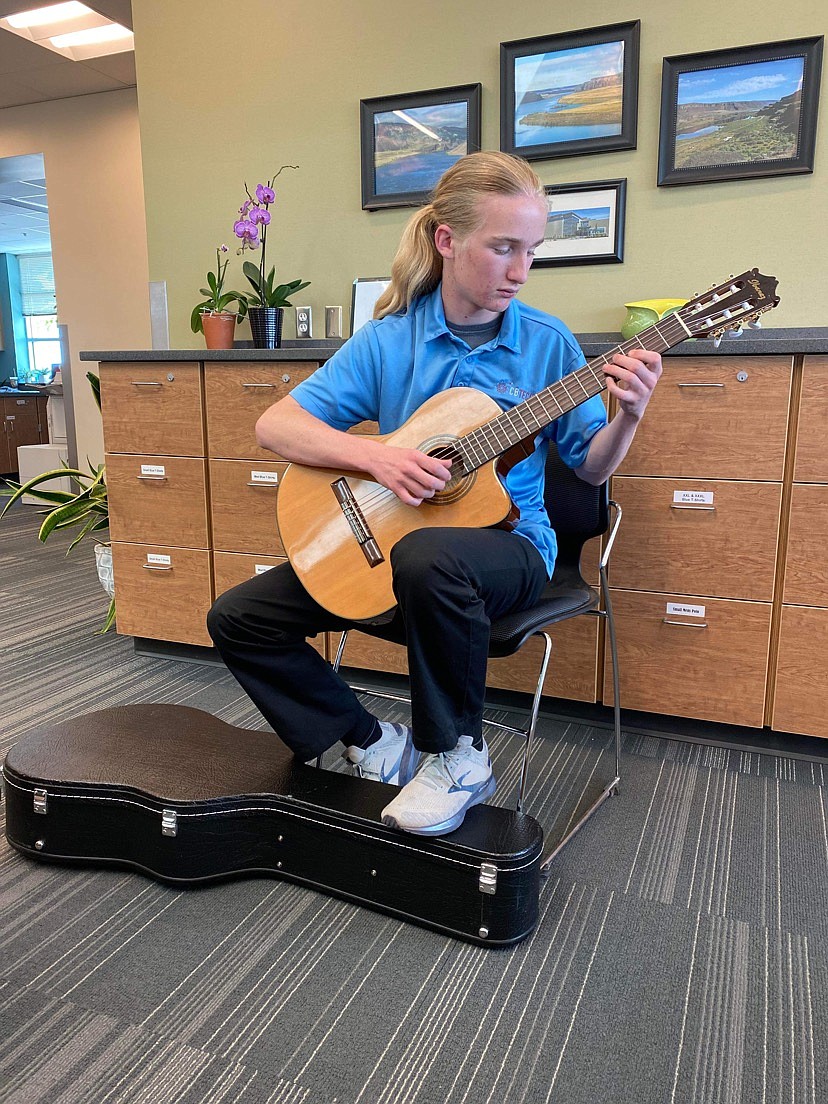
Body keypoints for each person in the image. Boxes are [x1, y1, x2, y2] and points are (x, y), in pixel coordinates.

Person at [207, 150, 662, 838]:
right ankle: (369, 739)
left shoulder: (548, 345)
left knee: (428, 556)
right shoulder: (391, 340)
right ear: (447, 240)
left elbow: (591, 471)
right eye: (503, 247)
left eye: (531, 251)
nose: (520, 270)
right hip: (396, 548)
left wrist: (628, 414)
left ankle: (457, 758)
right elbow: (277, 425)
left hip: (513, 550)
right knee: (239, 616)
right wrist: (376, 459)